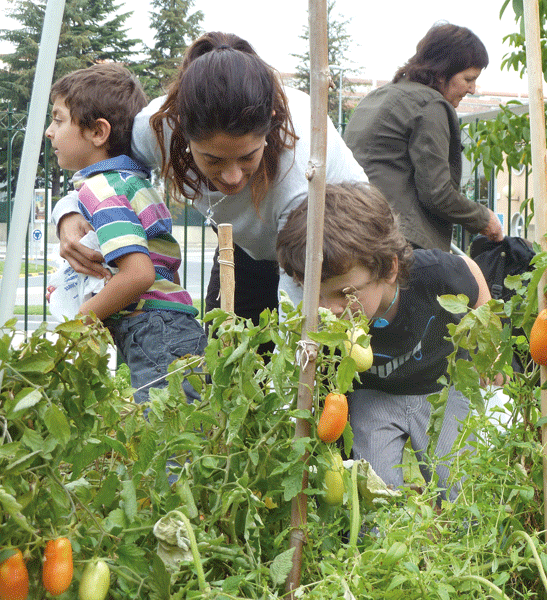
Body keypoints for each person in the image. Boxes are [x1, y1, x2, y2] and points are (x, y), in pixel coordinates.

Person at [51, 32, 368, 327]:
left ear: (269, 127)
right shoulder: (155, 127)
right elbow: (107, 173)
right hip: (244, 250)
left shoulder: (299, 167)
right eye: (212, 159)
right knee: (222, 364)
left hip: (338, 255)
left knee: (320, 368)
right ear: (181, 129)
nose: (231, 179)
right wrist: (69, 211)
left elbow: (295, 309)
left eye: (247, 157)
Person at [276, 182, 492, 504]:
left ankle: (467, 536)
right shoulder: (322, 325)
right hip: (374, 393)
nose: (327, 308)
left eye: (343, 293)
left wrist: (486, 348)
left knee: (459, 482)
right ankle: (378, 539)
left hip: (442, 385)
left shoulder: (433, 276)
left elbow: (474, 279)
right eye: (313, 293)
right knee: (372, 489)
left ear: (389, 268)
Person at [45, 63, 206, 404]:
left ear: (98, 132)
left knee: (171, 446)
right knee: (185, 433)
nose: (49, 131)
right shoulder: (128, 181)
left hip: (155, 330)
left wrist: (76, 324)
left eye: (58, 120)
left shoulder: (102, 189)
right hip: (167, 328)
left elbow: (138, 275)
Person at [343, 22, 504, 252]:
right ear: (441, 72)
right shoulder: (429, 105)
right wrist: (484, 218)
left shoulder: (378, 96)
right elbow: (437, 193)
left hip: (354, 231)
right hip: (398, 242)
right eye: (469, 79)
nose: (473, 89)